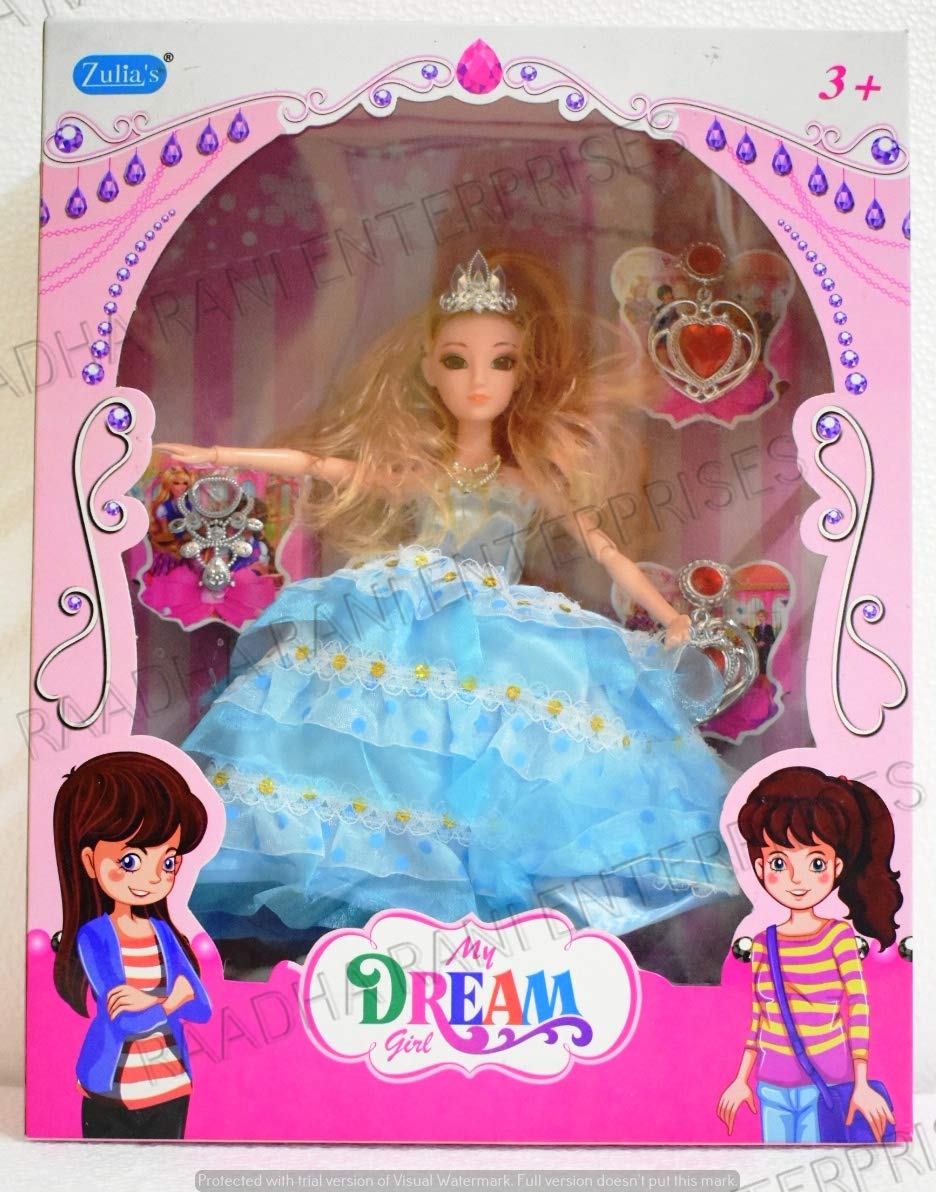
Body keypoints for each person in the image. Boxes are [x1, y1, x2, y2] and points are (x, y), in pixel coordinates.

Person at [158, 248, 741, 970]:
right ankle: (404, 933)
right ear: (430, 370)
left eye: (501, 362)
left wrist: (670, 615)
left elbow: (603, 548)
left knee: (513, 767)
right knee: (383, 761)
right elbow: (317, 465)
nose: (479, 381)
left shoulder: (527, 481)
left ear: (522, 374)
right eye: (458, 361)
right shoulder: (421, 470)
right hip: (403, 622)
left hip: (502, 635)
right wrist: (216, 453)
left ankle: (484, 947)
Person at [716, 766, 902, 1144]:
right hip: (771, 1085)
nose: (797, 879)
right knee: (772, 1164)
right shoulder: (764, 943)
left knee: (817, 1159)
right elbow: (760, 1015)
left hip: (828, 1084)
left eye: (815, 863)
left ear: (836, 867)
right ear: (760, 867)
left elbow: (858, 1008)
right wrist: (740, 1078)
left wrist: (861, 1082)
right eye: (779, 863)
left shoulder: (838, 937)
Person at [52, 752, 212, 1139]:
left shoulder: (163, 933)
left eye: (168, 861)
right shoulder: (95, 936)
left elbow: (202, 1007)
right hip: (110, 1092)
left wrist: (148, 1000)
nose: (153, 878)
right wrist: (170, 1001)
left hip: (172, 1085)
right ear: (89, 860)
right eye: (129, 860)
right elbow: (125, 1022)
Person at [753, 608, 775, 675]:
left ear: (765, 617)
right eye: (759, 616)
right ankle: (761, 673)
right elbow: (755, 638)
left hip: (767, 647)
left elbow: (772, 638)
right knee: (760, 661)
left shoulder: (769, 627)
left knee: (767, 661)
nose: (760, 618)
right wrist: (757, 643)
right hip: (759, 648)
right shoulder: (756, 628)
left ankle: (768, 673)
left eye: (762, 616)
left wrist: (764, 642)